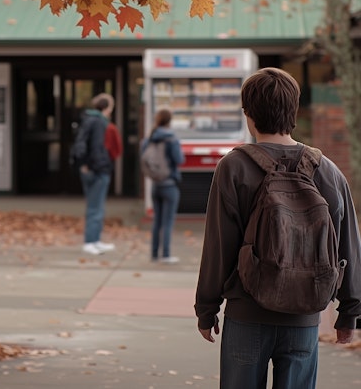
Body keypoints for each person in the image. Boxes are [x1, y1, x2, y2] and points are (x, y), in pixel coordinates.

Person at [194, 67, 361, 388]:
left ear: (249, 114)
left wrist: (207, 307)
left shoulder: (233, 167)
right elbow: (348, 245)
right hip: (305, 316)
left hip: (247, 315)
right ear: (293, 111)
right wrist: (350, 311)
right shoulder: (327, 170)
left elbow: (219, 245)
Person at [72, 93, 122, 255]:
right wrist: (95, 166)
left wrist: (84, 165)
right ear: (107, 107)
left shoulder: (90, 120)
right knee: (96, 208)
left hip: (92, 169)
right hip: (97, 170)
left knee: (96, 206)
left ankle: (95, 240)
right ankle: (90, 241)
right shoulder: (99, 122)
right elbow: (96, 147)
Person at [140, 108, 185, 263]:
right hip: (170, 184)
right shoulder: (171, 138)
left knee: (157, 221)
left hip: (155, 185)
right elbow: (179, 159)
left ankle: (154, 254)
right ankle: (165, 254)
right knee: (168, 221)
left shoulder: (149, 138)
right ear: (169, 121)